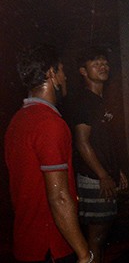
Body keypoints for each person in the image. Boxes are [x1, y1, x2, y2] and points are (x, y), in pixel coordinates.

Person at [5, 45, 93, 263]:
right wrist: (84, 254)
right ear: (51, 74)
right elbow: (59, 197)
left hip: (26, 242)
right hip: (51, 246)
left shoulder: (17, 121)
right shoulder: (50, 124)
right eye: (61, 70)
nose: (65, 78)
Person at [70, 46, 128, 263]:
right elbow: (82, 142)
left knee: (101, 236)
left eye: (105, 62)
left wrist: (116, 171)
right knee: (96, 237)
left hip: (104, 176)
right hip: (94, 179)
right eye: (96, 64)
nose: (103, 66)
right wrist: (103, 175)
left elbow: (105, 142)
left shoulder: (101, 100)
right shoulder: (85, 101)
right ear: (83, 71)